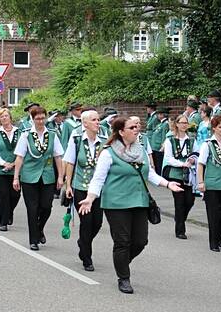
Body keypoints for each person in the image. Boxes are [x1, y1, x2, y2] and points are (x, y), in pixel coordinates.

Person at [78, 116, 183, 294]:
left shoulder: (140, 150)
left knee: (141, 241)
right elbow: (98, 178)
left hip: (139, 201)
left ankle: (122, 262)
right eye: (132, 127)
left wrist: (167, 184)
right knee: (122, 241)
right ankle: (124, 278)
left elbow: (149, 173)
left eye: (137, 126)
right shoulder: (108, 152)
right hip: (116, 203)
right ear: (121, 132)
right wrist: (90, 198)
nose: (137, 129)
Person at [13, 106, 65, 250]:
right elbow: (20, 157)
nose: (41, 121)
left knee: (46, 206)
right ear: (32, 119)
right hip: (29, 176)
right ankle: (33, 239)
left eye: (43, 118)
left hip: (47, 176)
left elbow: (58, 156)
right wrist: (16, 177)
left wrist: (61, 176)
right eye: (37, 118)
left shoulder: (52, 134)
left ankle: (39, 228)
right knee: (32, 208)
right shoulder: (26, 135)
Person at [64, 110, 107, 271]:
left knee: (98, 222)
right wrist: (68, 186)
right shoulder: (76, 140)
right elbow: (69, 162)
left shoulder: (104, 140)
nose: (98, 122)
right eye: (94, 120)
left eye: (98, 119)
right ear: (85, 123)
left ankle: (83, 242)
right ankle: (87, 257)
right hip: (80, 187)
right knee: (86, 222)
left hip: (98, 189)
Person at [197, 115, 221, 252]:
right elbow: (201, 164)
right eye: (220, 127)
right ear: (214, 129)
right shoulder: (207, 144)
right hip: (211, 183)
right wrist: (200, 182)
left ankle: (219, 236)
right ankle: (213, 241)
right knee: (213, 214)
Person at [163, 114, 198, 239]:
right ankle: (180, 230)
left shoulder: (192, 140)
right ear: (177, 124)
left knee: (190, 201)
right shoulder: (170, 140)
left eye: (186, 123)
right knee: (179, 202)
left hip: (189, 175)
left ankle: (179, 218)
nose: (184, 125)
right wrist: (181, 164)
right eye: (182, 122)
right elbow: (168, 158)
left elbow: (196, 153)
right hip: (176, 174)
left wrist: (193, 160)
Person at [0, 108, 22, 232]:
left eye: (6, 116)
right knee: (3, 195)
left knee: (15, 195)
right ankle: (3, 221)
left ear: (10, 118)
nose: (4, 118)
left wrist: (14, 163)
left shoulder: (20, 132)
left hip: (16, 168)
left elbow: (23, 150)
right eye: (2, 117)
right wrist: (4, 163)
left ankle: (9, 212)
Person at [150, 107, 170, 171]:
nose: (157, 115)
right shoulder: (161, 123)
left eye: (158, 114)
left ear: (162, 115)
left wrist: (162, 147)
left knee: (159, 166)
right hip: (155, 147)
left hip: (159, 148)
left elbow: (164, 136)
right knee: (156, 164)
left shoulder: (165, 124)